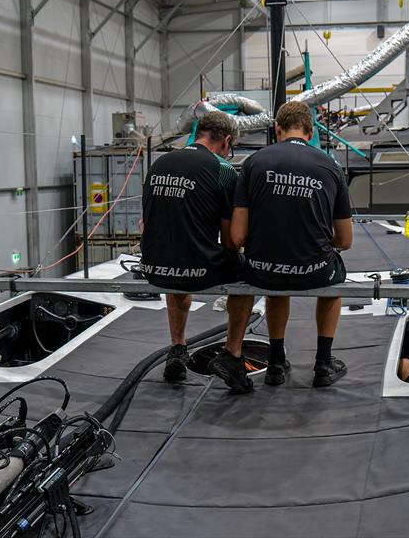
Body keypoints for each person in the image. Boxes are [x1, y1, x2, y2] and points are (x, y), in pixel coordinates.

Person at [215, 100, 353, 388]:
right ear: (310, 131)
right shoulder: (330, 166)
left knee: (275, 284)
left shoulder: (253, 163)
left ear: (277, 129)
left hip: (263, 269)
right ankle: (323, 364)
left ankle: (276, 363)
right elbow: (345, 240)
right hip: (314, 269)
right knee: (334, 284)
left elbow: (238, 237)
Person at [140, 111, 254, 391]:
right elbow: (230, 242)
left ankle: (178, 347)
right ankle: (232, 353)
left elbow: (146, 223)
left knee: (180, 252)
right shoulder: (223, 170)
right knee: (249, 273)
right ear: (226, 141)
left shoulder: (159, 163)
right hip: (196, 269)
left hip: (154, 267)